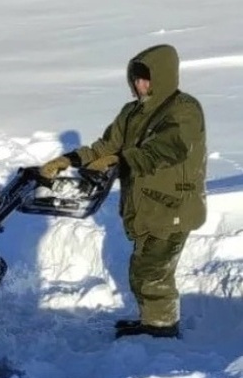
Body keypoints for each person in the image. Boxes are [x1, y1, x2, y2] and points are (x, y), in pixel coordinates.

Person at [39, 44, 206, 339]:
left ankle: (162, 331)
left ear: (162, 76)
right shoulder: (132, 112)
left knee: (153, 271)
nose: (140, 85)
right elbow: (107, 145)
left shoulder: (184, 109)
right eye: (136, 79)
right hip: (146, 205)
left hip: (174, 206)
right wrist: (70, 160)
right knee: (143, 267)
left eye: (146, 78)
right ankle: (152, 321)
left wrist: (122, 159)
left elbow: (168, 147)